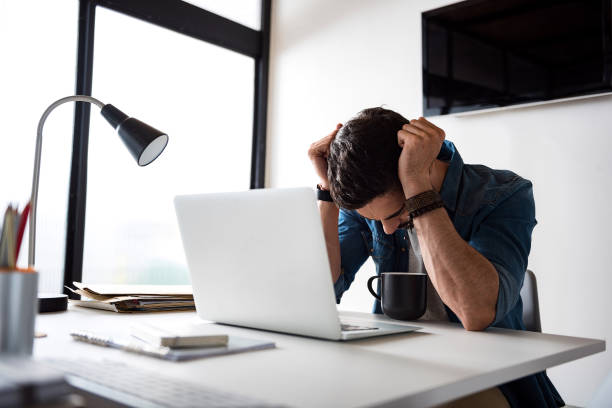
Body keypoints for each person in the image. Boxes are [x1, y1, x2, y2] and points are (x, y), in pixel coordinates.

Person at [308, 107, 563, 407]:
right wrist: (326, 192)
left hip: (487, 376)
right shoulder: (374, 204)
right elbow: (320, 296)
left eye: (394, 215)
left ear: (424, 165)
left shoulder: (503, 194)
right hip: (393, 365)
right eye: (378, 221)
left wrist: (417, 187)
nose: (387, 229)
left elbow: (476, 312)